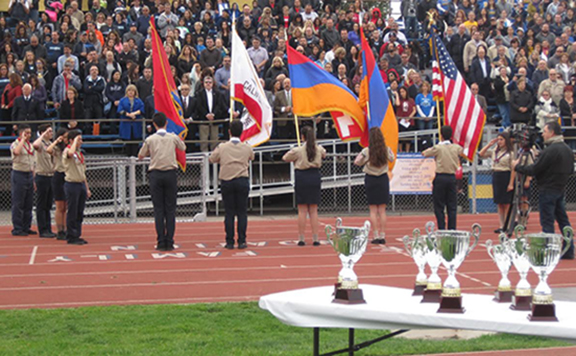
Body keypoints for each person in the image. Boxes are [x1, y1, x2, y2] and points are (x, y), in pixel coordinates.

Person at [514, 121, 575, 260]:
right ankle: (569, 249)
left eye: (545, 131)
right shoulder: (567, 149)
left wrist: (517, 167)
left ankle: (549, 251)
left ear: (552, 133)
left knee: (547, 222)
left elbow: (535, 170)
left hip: (548, 189)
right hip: (560, 188)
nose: (543, 134)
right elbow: (571, 170)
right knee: (563, 220)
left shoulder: (550, 150)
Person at [138, 112, 187, 251]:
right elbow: (183, 148)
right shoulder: (172, 137)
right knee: (170, 210)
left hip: (156, 173)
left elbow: (141, 155)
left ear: (154, 124)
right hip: (170, 173)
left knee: (159, 209)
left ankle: (160, 241)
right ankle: (170, 241)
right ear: (166, 123)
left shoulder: (150, 139)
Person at [209, 120, 254, 249]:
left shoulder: (222, 147)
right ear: (241, 133)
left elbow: (212, 158)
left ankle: (229, 241)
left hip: (227, 180)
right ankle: (242, 240)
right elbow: (252, 156)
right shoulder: (246, 147)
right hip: (242, 180)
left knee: (229, 213)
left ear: (229, 132)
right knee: (242, 212)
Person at [282, 126, 327, 246]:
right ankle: (315, 238)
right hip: (314, 177)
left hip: (302, 177)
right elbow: (324, 154)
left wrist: (296, 156)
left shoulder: (298, 150)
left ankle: (301, 238)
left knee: (302, 210)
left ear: (302, 137)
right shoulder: (319, 148)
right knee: (313, 210)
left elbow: (285, 158)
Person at [354, 127, 395, 244]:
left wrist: (365, 161)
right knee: (382, 210)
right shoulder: (386, 150)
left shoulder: (367, 151)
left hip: (371, 179)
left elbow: (357, 161)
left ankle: (375, 235)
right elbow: (392, 158)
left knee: (373, 209)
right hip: (382, 179)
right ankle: (383, 235)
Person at [422, 125, 464, 230]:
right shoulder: (456, 148)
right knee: (452, 206)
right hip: (451, 177)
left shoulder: (438, 148)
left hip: (440, 177)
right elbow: (462, 151)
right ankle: (452, 229)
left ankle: (441, 227)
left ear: (441, 136)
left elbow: (424, 153)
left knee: (439, 206)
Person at [479, 132, 515, 233]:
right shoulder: (494, 151)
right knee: (499, 203)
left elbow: (513, 169)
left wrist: (511, 183)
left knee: (507, 203)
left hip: (506, 176)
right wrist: (489, 144)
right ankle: (501, 225)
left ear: (506, 141)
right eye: (498, 139)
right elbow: (481, 154)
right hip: (497, 176)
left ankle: (508, 225)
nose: (499, 142)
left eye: (501, 139)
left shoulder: (510, 153)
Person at [63, 130, 91, 245]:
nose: (81, 142)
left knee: (79, 211)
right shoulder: (68, 151)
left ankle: (77, 234)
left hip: (80, 183)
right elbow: (70, 154)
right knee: (73, 210)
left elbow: (83, 173)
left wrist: (87, 188)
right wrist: (73, 142)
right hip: (72, 183)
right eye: (78, 139)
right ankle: (71, 235)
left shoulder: (79, 153)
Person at [10, 124, 36, 237]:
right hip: (19, 173)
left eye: (30, 133)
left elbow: (33, 162)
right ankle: (18, 227)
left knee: (28, 202)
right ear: (21, 133)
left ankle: (26, 226)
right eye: (26, 133)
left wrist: (34, 178)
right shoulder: (15, 144)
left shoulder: (30, 145)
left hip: (29, 174)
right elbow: (16, 152)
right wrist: (22, 140)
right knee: (18, 202)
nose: (29, 135)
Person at [32, 124, 56, 238]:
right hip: (42, 175)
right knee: (41, 205)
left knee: (48, 204)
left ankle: (48, 228)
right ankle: (42, 229)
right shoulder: (40, 143)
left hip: (50, 175)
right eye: (49, 131)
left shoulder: (50, 144)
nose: (51, 133)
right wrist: (42, 135)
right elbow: (35, 145)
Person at [46, 128, 69, 240]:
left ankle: (65, 228)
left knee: (66, 206)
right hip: (59, 175)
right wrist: (56, 141)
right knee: (60, 206)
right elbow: (48, 150)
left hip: (68, 175)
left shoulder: (68, 149)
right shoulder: (56, 148)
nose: (65, 139)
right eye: (63, 137)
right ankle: (60, 230)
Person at [194, 75, 227, 152]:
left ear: (213, 83)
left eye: (210, 82)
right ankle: (204, 161)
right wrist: (206, 114)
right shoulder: (199, 93)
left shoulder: (217, 93)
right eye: (206, 82)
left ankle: (214, 161)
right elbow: (199, 105)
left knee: (214, 141)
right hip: (203, 119)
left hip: (214, 120)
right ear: (203, 83)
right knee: (203, 141)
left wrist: (213, 114)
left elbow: (219, 105)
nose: (208, 84)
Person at [118, 84, 144, 157]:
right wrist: (129, 115)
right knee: (128, 144)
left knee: (135, 144)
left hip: (136, 124)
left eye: (132, 90)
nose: (131, 92)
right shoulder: (122, 100)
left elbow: (142, 109)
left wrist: (134, 114)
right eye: (129, 90)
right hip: (126, 124)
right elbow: (120, 110)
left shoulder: (139, 101)